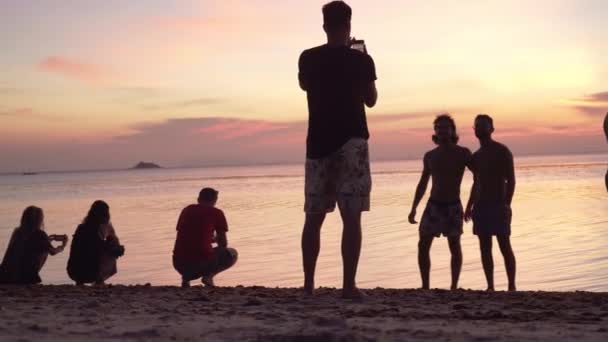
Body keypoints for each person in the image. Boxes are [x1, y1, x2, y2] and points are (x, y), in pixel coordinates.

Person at [298, 1, 378, 299]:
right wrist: (361, 57)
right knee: (352, 216)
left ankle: (308, 285)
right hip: (352, 142)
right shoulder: (362, 60)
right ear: (349, 24)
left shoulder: (307, 58)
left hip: (317, 143)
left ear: (324, 25)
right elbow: (370, 99)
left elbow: (306, 86)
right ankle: (348, 286)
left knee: (313, 217)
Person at [408, 115, 472, 290]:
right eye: (439, 128)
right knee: (423, 245)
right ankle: (425, 285)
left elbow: (479, 177)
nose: (442, 131)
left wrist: (471, 204)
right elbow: (423, 182)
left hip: (453, 205)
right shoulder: (430, 156)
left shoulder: (463, 153)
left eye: (446, 127)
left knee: (454, 244)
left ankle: (453, 286)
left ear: (452, 130)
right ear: (435, 131)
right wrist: (413, 208)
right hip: (433, 205)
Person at [465, 114, 517, 291]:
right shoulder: (476, 156)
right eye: (477, 126)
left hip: (498, 204)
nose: (480, 128)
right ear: (474, 131)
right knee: (485, 247)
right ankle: (490, 286)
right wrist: (468, 206)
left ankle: (511, 285)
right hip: (481, 206)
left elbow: (511, 180)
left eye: (484, 125)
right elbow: (476, 182)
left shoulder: (502, 151)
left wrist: (507, 204)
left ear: (491, 129)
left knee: (504, 244)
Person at [173, 188, 238, 288]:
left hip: (179, 264)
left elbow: (189, 234)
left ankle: (186, 279)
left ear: (198, 199)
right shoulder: (217, 213)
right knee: (232, 253)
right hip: (200, 265)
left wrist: (211, 239)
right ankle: (208, 277)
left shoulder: (187, 210)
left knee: (195, 251)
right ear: (215, 200)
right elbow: (223, 244)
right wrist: (216, 240)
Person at [0, 206, 67, 284]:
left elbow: (28, 246)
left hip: (5, 274)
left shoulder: (17, 232)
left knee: (41, 248)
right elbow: (53, 252)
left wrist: (48, 240)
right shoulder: (39, 234)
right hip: (23, 277)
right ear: (39, 220)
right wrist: (62, 246)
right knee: (45, 250)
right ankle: (31, 276)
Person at [67, 200, 124, 285]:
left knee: (97, 251)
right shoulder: (95, 231)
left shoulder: (81, 228)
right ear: (105, 215)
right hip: (90, 275)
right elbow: (106, 248)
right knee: (112, 250)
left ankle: (80, 282)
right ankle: (100, 280)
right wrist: (119, 249)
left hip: (72, 272)